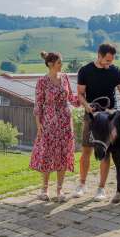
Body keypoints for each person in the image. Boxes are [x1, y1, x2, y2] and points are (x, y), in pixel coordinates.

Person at [73, 43, 120, 201]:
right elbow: (80, 94)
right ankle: (82, 184)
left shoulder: (115, 71)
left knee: (105, 153)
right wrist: (87, 106)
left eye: (111, 60)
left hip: (109, 116)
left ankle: (101, 188)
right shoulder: (85, 71)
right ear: (98, 56)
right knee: (86, 150)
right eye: (107, 60)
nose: (109, 63)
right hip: (91, 115)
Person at [30, 51, 80, 202]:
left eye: (61, 62)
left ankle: (60, 190)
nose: (61, 65)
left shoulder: (64, 78)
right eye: (59, 62)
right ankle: (44, 190)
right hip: (48, 122)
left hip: (65, 121)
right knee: (47, 154)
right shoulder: (42, 81)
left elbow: (71, 97)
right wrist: (39, 125)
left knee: (64, 154)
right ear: (51, 64)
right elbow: (38, 104)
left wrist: (82, 100)